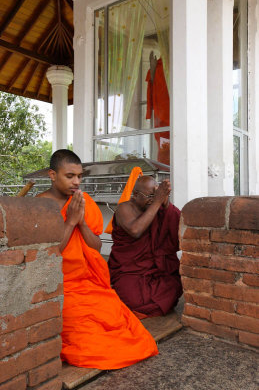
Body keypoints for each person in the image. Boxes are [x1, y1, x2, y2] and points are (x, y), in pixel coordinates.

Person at [37, 149, 158, 370]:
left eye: (80, 176)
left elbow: (96, 246)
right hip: (59, 285)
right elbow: (48, 253)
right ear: (52, 175)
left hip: (88, 282)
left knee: (119, 319)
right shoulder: (39, 205)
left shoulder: (84, 201)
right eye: (69, 176)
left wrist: (81, 222)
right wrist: (71, 221)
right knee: (85, 337)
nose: (76, 182)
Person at [108, 176, 182, 318]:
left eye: (156, 195)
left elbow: (176, 232)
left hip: (156, 268)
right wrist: (158, 201)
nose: (154, 199)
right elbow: (136, 230)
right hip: (130, 271)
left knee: (175, 283)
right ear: (135, 195)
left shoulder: (156, 208)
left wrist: (166, 204)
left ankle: (155, 305)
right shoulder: (124, 208)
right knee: (132, 298)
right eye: (151, 196)